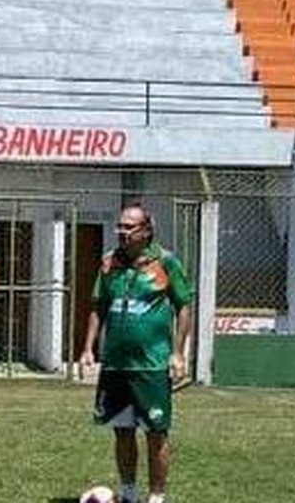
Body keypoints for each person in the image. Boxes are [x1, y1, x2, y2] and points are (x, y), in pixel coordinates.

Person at [80, 202, 194, 503]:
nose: (122, 232)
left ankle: (156, 497)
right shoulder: (108, 263)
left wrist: (178, 352)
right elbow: (98, 306)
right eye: (120, 226)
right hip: (116, 365)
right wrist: (88, 348)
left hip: (152, 365)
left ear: (146, 230)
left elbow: (183, 306)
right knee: (122, 429)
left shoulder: (167, 262)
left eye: (129, 227)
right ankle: (129, 493)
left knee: (156, 432)